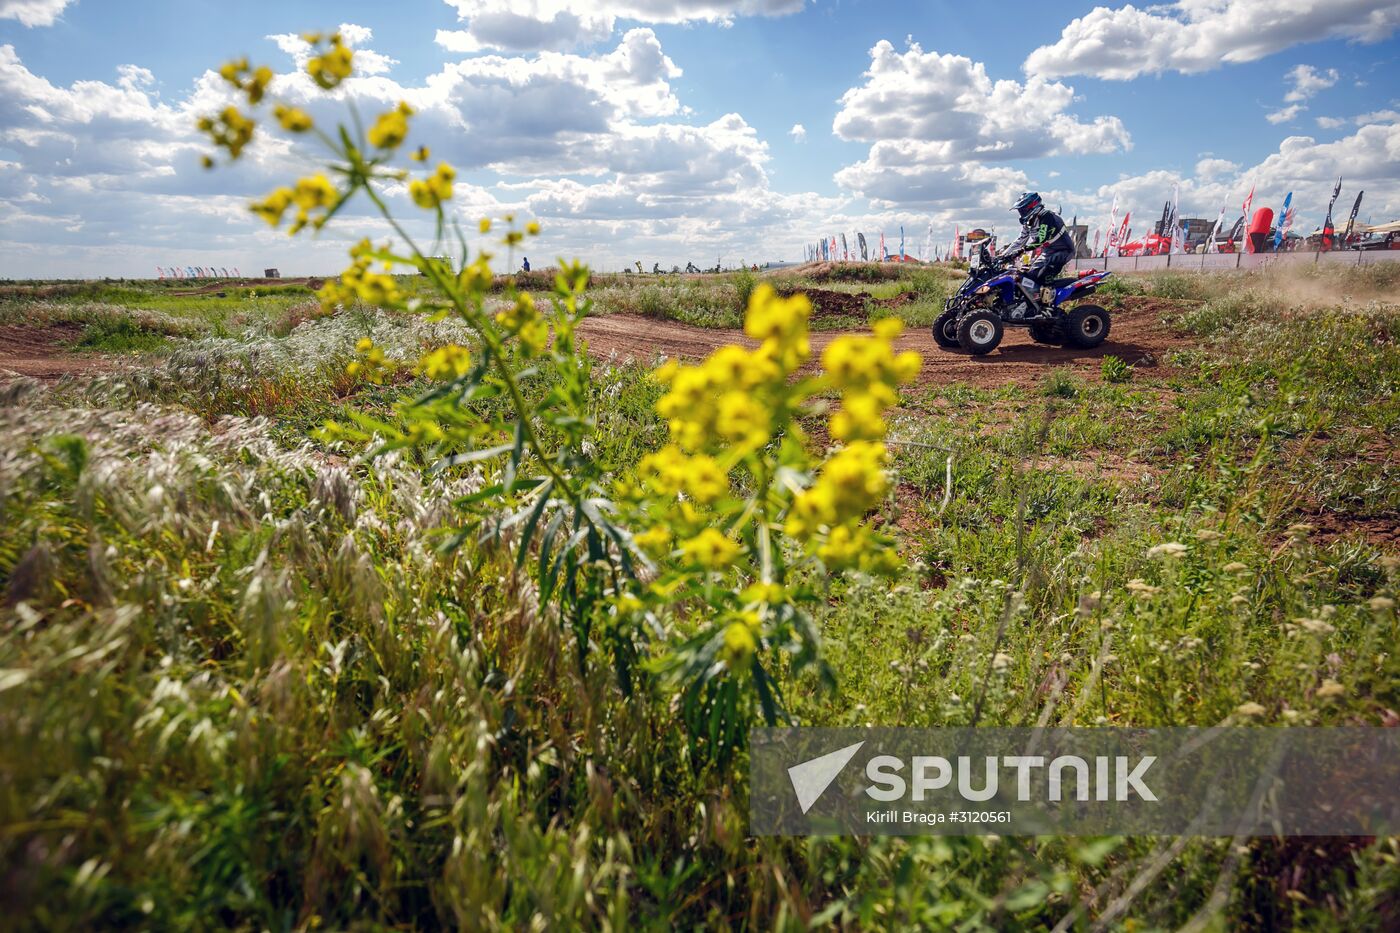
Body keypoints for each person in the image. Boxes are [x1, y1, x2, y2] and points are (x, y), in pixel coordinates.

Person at [1000, 192, 1074, 318]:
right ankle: (1032, 306)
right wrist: (1002, 255)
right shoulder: (1028, 222)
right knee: (1029, 276)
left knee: (1044, 274)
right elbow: (1020, 240)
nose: (1021, 213)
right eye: (1020, 210)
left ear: (1033, 206)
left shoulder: (1047, 217)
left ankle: (1049, 309)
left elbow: (1040, 239)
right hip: (1048, 251)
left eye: (1023, 209)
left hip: (1063, 250)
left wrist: (1020, 251)